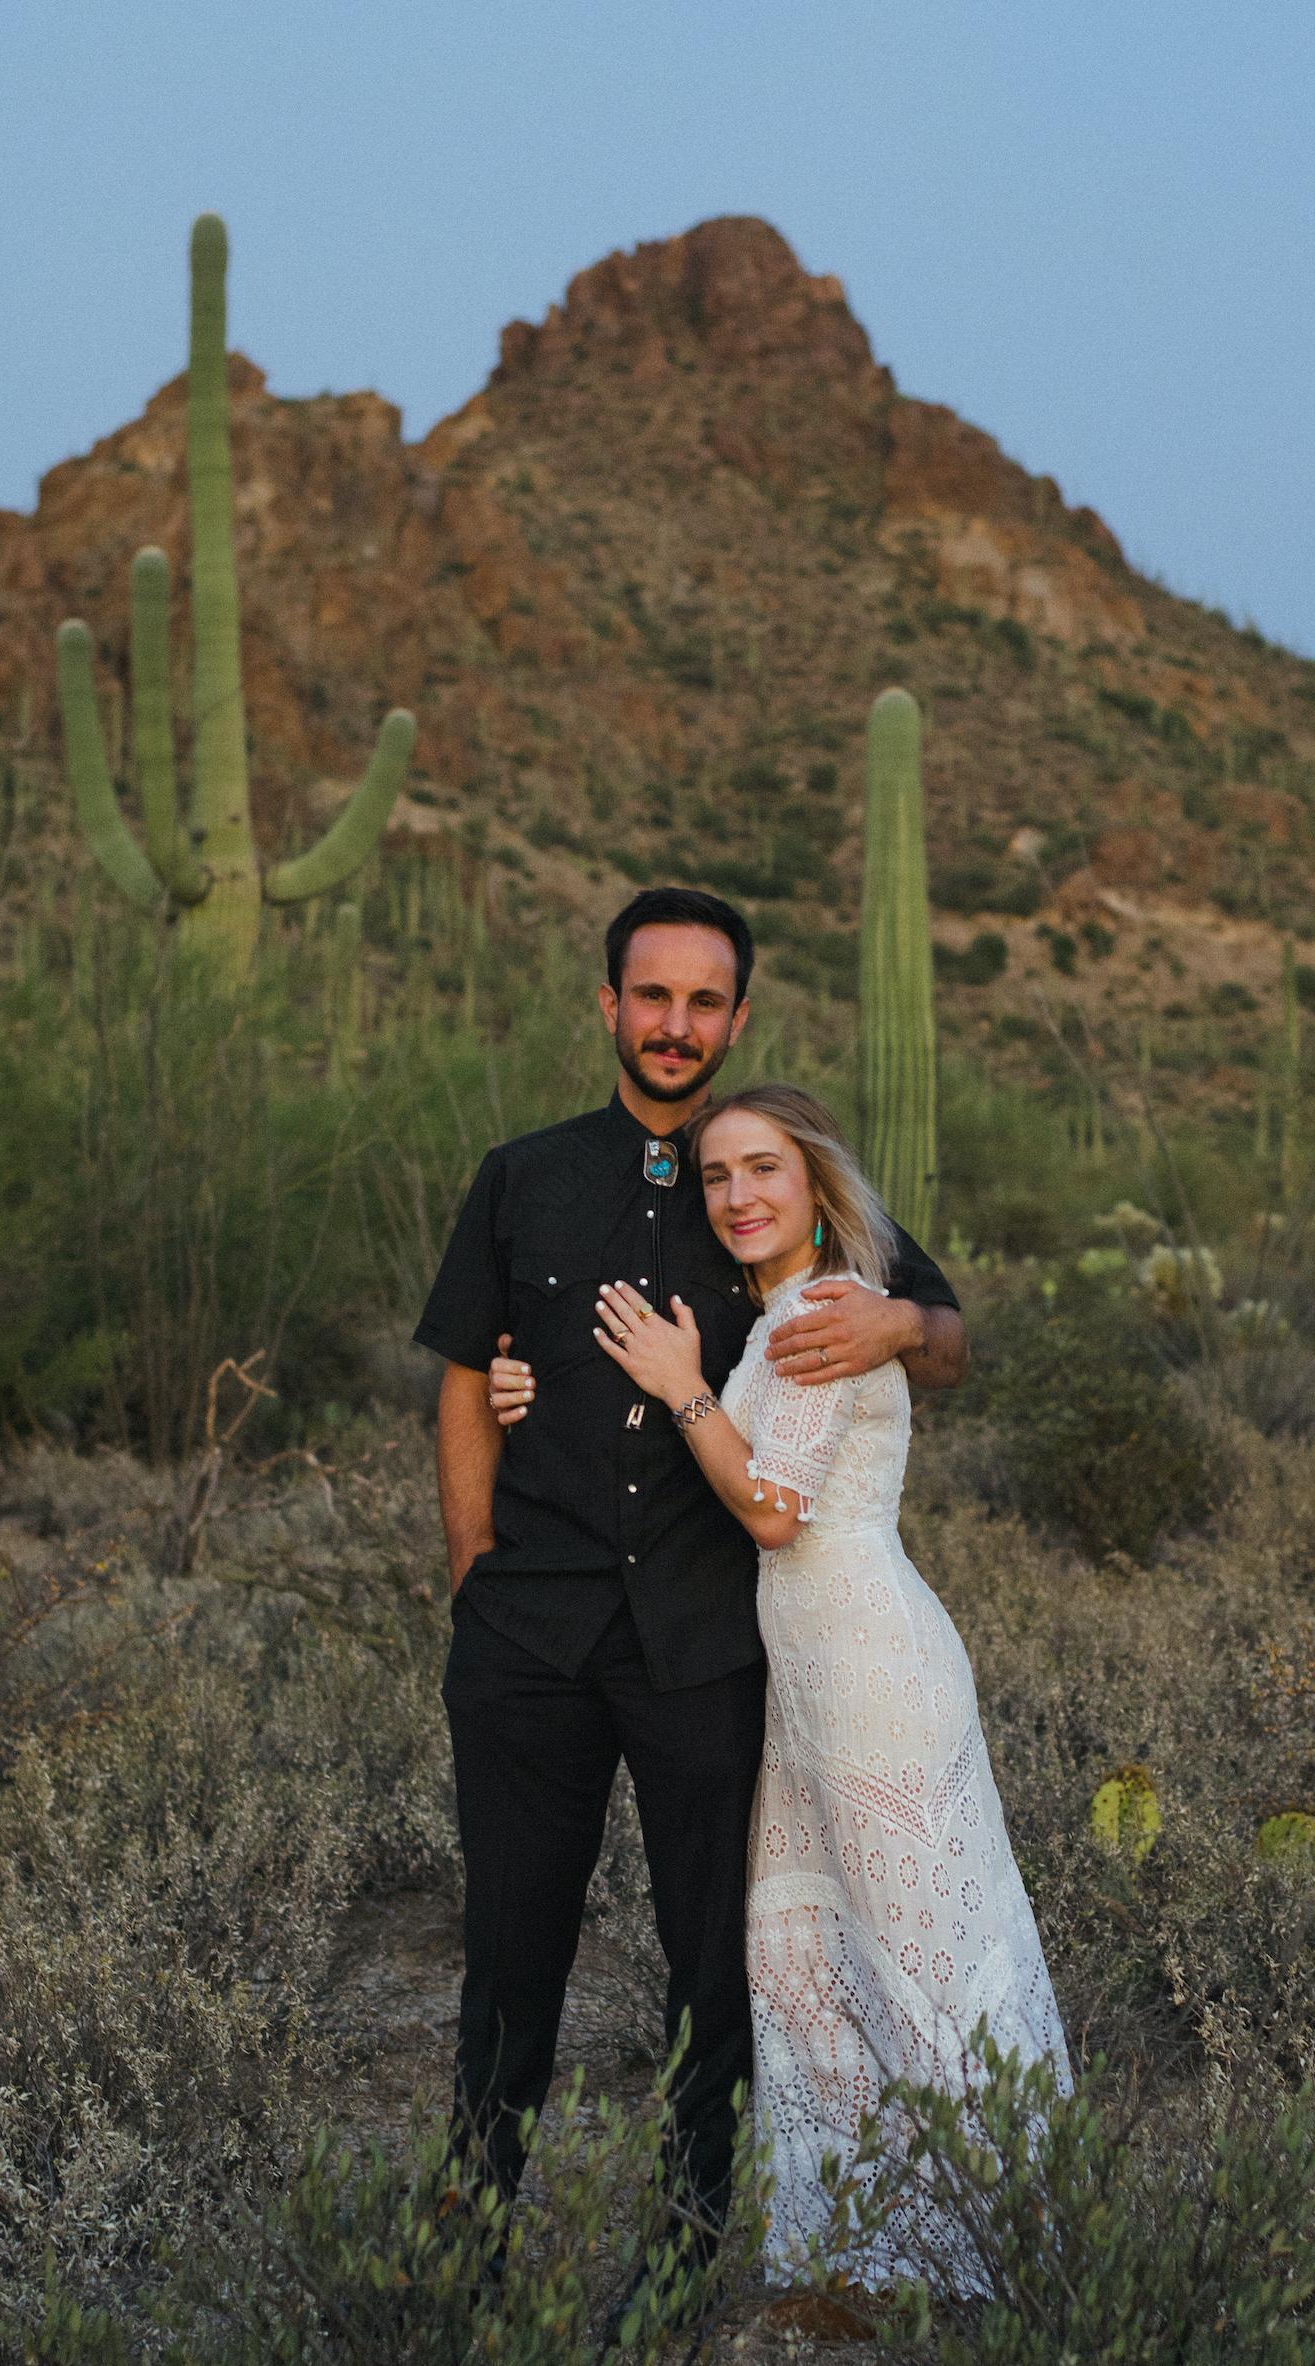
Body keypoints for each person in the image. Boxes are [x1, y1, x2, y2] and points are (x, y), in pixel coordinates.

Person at [411, 888, 968, 2283]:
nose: (674, 1023)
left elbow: (947, 1334)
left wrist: (899, 1317)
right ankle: (467, 2252)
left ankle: (682, 2260)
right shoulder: (522, 1176)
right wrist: (472, 1572)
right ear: (609, 1005)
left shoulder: (769, 1180)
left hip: (707, 1641)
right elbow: (468, 1376)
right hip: (529, 1631)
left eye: (702, 1001)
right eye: (651, 996)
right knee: (508, 1958)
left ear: (735, 1017)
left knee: (710, 1973)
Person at [580, 1083, 1073, 2292]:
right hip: (813, 1673)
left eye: (764, 1168)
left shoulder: (821, 1309)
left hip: (866, 1665)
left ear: (815, 1185)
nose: (736, 1194)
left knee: (916, 1952)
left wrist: (679, 1381)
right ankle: (880, 2248)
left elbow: (770, 1508)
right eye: (715, 1175)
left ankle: (998, 2251)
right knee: (828, 1954)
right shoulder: (777, 1316)